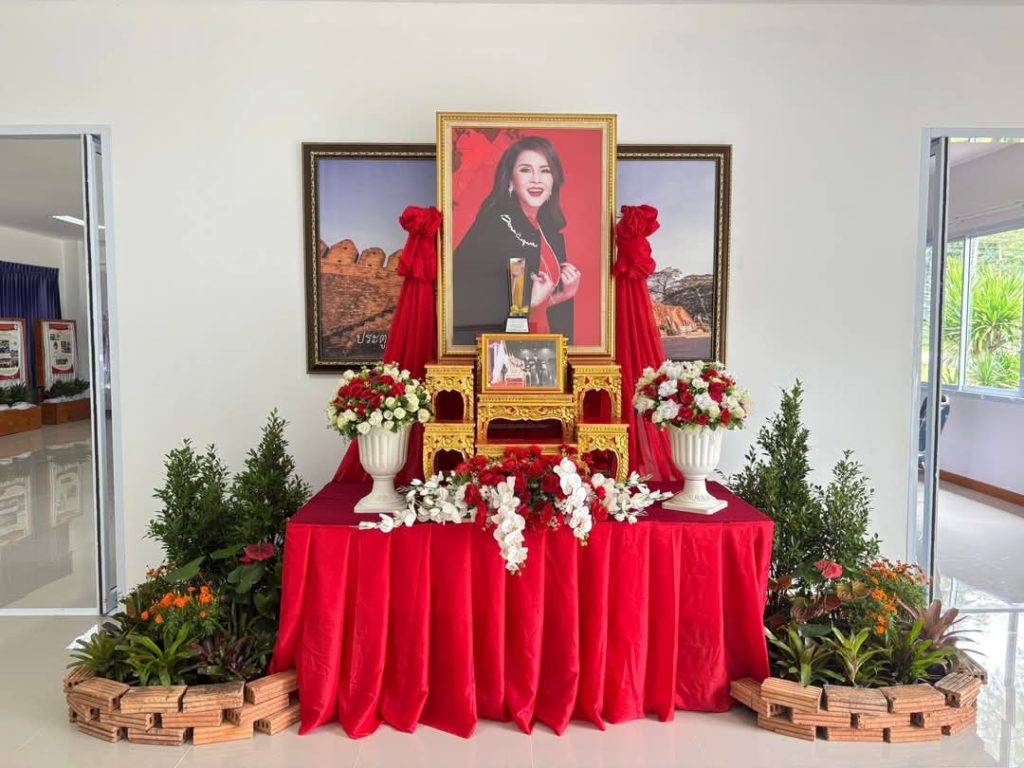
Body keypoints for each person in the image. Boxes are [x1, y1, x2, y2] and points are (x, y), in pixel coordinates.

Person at [452, 136, 581, 345]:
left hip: (541, 345)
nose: (536, 179)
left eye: (545, 170)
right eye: (525, 170)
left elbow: (533, 307)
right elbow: (465, 298)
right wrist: (527, 302)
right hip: (505, 351)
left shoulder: (548, 233)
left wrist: (563, 295)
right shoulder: (494, 225)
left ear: (553, 180)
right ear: (511, 180)